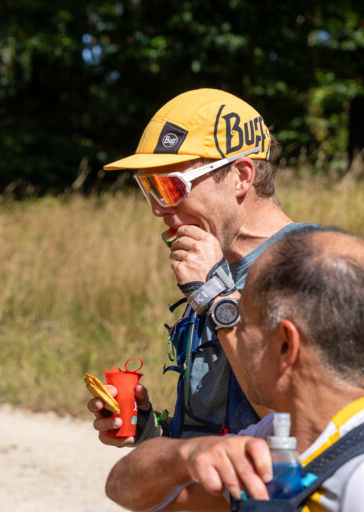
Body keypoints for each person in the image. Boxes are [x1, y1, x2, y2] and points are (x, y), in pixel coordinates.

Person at [104, 227, 364, 511]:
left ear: (286, 346)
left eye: (243, 324)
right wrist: (188, 455)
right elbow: (127, 489)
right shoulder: (282, 437)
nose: (234, 338)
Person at [89, 89, 314, 444]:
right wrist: (150, 432)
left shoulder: (313, 266)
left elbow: (303, 425)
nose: (157, 208)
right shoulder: (211, 268)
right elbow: (214, 429)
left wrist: (216, 296)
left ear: (241, 176)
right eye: (149, 187)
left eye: (170, 186)